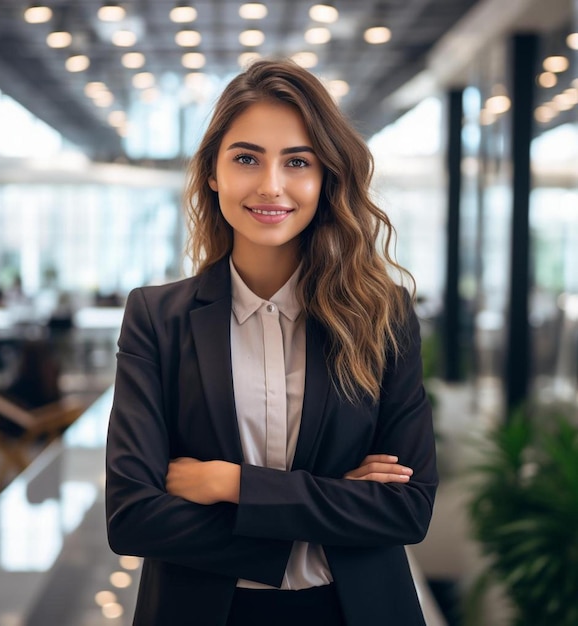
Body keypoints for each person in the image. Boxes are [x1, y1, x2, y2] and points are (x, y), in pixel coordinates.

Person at [105, 59, 438, 626]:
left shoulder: (381, 315)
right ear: (213, 172)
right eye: (246, 158)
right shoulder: (157, 317)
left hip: (354, 610)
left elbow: (406, 509)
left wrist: (228, 483)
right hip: (202, 611)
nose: (271, 185)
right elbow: (133, 517)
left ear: (325, 177)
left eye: (298, 162)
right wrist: (321, 511)